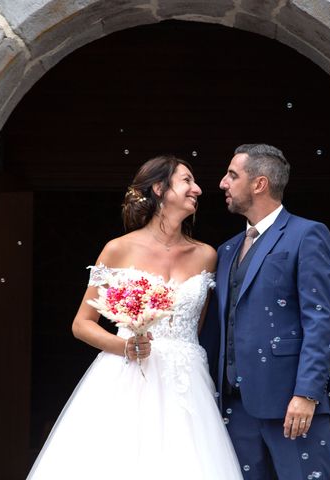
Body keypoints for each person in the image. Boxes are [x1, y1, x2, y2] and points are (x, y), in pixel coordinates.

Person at [27, 155, 243, 479]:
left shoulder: (206, 255)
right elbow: (82, 323)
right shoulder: (117, 249)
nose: (197, 189)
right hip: (127, 373)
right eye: (187, 180)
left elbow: (197, 326)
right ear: (159, 188)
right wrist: (124, 346)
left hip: (186, 382)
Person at [208, 144, 330, 479]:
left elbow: (320, 317)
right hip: (234, 408)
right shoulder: (226, 251)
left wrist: (306, 393)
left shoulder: (306, 234)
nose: (223, 183)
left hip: (291, 406)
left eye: (232, 175)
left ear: (259, 184)